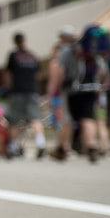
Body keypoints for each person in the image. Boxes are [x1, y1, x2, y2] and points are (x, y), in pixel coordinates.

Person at [58, 24, 110, 163]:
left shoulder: (70, 51)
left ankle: (62, 148)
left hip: (73, 90)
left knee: (69, 119)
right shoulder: (97, 51)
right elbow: (103, 71)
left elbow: (61, 72)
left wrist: (54, 89)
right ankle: (91, 145)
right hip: (92, 89)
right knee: (88, 118)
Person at [3, 32, 46, 159]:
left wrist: (8, 88)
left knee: (14, 121)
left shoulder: (13, 55)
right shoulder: (32, 56)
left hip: (17, 92)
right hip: (32, 91)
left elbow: (7, 74)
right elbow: (40, 74)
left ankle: (13, 146)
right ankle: (41, 143)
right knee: (35, 119)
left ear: (15, 42)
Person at [47, 25, 77, 159]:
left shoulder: (58, 60)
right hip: (76, 91)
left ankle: (62, 147)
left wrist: (50, 94)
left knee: (61, 121)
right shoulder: (76, 53)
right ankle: (67, 146)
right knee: (67, 121)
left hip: (60, 94)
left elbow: (55, 79)